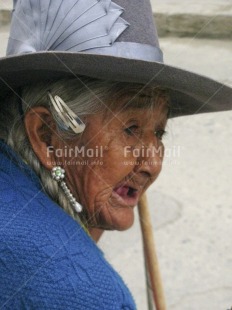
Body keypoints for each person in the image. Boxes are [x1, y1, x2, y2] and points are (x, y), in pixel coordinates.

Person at [0, 0, 231, 309]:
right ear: (45, 136)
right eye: (130, 128)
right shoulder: (82, 291)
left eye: (158, 132)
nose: (153, 163)